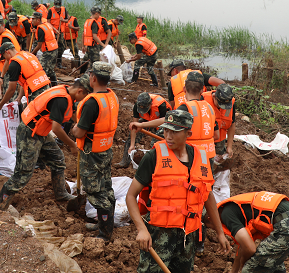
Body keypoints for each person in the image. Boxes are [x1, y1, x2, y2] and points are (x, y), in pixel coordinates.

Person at [125, 110, 230, 273]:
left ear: (188, 133)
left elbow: (207, 195)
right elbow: (130, 196)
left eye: (174, 132)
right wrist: (141, 230)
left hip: (189, 237)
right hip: (159, 235)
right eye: (166, 130)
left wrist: (220, 232)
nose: (168, 136)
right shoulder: (154, 156)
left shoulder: (201, 158)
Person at [0, 75, 93, 210]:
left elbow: (73, 113)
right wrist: (71, 144)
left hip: (41, 132)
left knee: (57, 160)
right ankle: (0, 207)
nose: (85, 99)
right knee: (22, 174)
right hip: (29, 133)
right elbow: (56, 128)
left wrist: (80, 127)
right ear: (80, 91)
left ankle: (61, 194)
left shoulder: (65, 91)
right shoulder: (61, 100)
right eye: (86, 95)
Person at [70, 62, 119, 240]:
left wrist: (74, 129)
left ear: (93, 78)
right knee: (106, 186)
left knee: (95, 192)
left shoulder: (92, 103)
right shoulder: (112, 96)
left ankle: (105, 234)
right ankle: (104, 223)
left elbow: (80, 131)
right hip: (106, 149)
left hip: (92, 153)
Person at [218, 192, 289, 273]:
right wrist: (234, 270)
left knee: (251, 269)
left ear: (209, 218)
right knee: (272, 265)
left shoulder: (225, 214)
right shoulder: (235, 208)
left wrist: (243, 264)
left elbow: (250, 249)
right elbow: (242, 246)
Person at [114, 92, 172, 168]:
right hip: (147, 120)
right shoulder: (136, 106)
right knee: (131, 137)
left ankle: (156, 165)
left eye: (144, 108)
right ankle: (125, 161)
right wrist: (132, 145)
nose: (142, 110)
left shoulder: (161, 105)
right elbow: (134, 126)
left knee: (156, 143)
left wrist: (142, 125)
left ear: (150, 104)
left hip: (163, 124)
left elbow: (163, 121)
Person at [0, 41, 51, 111]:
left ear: (7, 52)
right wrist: (19, 97)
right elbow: (26, 78)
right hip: (46, 86)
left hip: (36, 92)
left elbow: (11, 90)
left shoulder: (14, 64)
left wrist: (1, 105)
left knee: (28, 119)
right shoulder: (27, 55)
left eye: (4, 56)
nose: (6, 59)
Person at [0, 15, 21, 91]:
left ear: (3, 25)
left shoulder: (5, 38)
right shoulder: (1, 35)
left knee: (10, 91)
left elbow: (8, 58)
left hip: (10, 67)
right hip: (7, 66)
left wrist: (2, 76)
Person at [30, 11, 59, 85]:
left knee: (41, 70)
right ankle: (54, 85)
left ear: (38, 20)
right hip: (54, 49)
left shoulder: (40, 29)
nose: (32, 21)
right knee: (50, 70)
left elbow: (39, 45)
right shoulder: (46, 25)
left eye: (33, 19)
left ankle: (43, 87)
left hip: (49, 52)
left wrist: (32, 54)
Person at [81, 6, 111, 74]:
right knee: (94, 63)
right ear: (96, 13)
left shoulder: (88, 21)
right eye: (99, 14)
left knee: (91, 61)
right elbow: (93, 36)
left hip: (91, 44)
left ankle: (85, 74)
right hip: (94, 45)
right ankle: (88, 76)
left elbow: (109, 32)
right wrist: (103, 45)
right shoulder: (93, 22)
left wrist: (105, 44)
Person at [47, 0, 67, 67]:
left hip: (61, 32)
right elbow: (48, 22)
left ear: (61, 4)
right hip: (53, 33)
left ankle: (59, 62)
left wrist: (63, 20)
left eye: (59, 5)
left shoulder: (64, 9)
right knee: (53, 47)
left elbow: (67, 20)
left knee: (61, 47)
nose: (57, 8)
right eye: (56, 6)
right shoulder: (50, 11)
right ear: (54, 4)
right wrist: (55, 30)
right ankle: (52, 62)